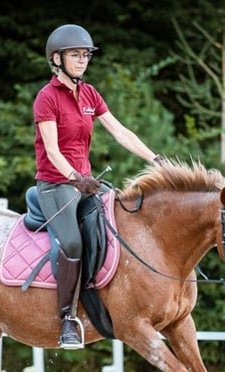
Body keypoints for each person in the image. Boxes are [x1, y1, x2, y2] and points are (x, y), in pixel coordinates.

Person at [33, 23, 164, 349]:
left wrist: (156, 159)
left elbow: (120, 132)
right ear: (57, 59)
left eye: (86, 55)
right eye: (75, 55)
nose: (82, 60)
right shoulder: (46, 98)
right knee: (74, 244)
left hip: (87, 184)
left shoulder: (90, 94)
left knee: (122, 221)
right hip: (56, 185)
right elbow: (52, 151)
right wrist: (76, 178)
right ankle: (66, 319)